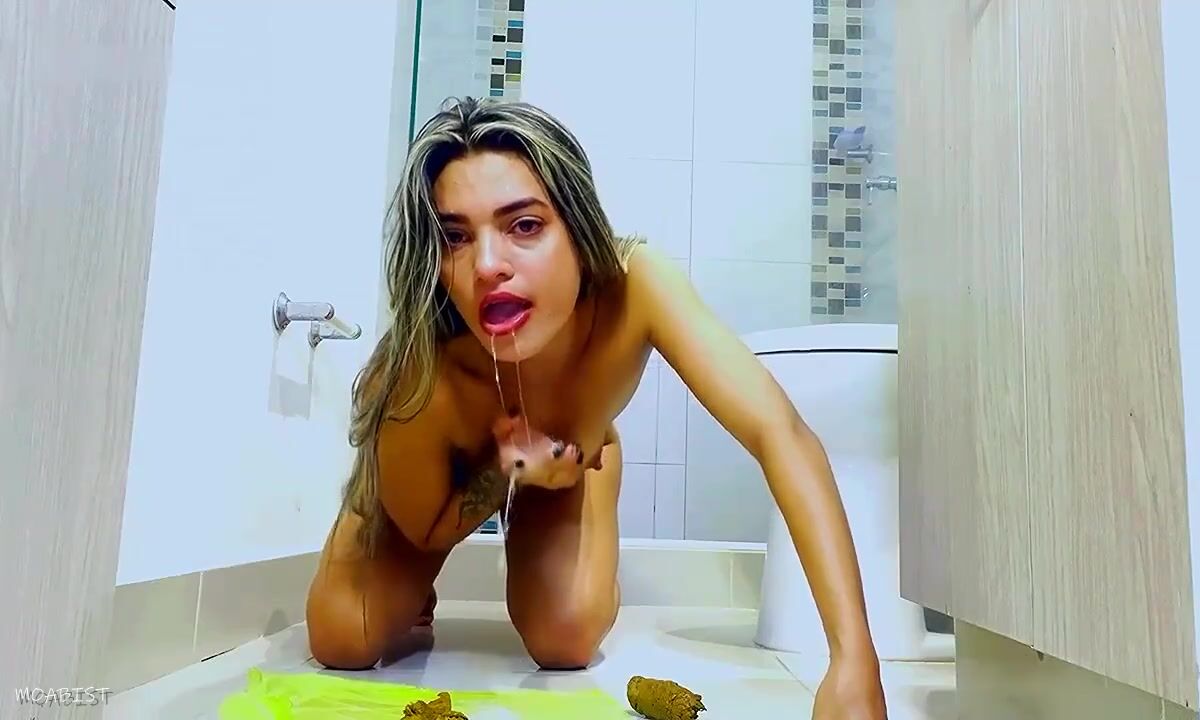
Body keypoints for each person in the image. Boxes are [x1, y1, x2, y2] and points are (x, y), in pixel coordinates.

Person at [305, 96, 888, 719]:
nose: (488, 266)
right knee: (343, 638)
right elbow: (427, 529)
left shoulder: (636, 287)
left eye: (524, 226)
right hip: (434, 498)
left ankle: (591, 458)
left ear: (579, 230)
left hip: (567, 459)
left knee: (565, 640)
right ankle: (408, 594)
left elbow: (780, 432)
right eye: (455, 237)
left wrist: (853, 658)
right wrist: (507, 469)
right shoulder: (420, 364)